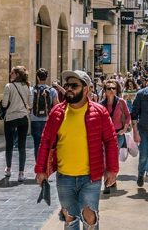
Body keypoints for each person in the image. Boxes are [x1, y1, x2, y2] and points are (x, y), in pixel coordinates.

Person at [35, 70, 119, 230]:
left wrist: (112, 169)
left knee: (89, 216)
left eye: (74, 85)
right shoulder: (57, 112)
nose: (69, 89)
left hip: (90, 177)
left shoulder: (99, 112)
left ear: (86, 89)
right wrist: (40, 169)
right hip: (64, 177)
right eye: (67, 85)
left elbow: (110, 140)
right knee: (69, 216)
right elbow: (45, 142)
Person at [99, 79, 132, 194]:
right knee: (104, 159)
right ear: (105, 91)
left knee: (112, 158)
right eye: (109, 88)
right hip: (105, 136)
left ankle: (111, 179)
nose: (112, 90)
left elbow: (128, 116)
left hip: (118, 135)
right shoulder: (101, 105)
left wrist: (124, 129)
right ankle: (107, 182)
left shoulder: (121, 102)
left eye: (114, 88)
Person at [2, 66, 33, 182]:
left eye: (12, 73)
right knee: (22, 146)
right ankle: (21, 173)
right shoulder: (27, 87)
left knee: (9, 145)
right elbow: (30, 103)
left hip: (10, 117)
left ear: (17, 75)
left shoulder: (9, 86)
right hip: (23, 118)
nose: (10, 74)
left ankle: (8, 169)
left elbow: (4, 104)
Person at [31, 68, 60, 161]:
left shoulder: (32, 90)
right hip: (47, 120)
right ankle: (45, 164)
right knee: (46, 143)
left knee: (36, 144)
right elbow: (56, 106)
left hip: (34, 119)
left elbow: (30, 104)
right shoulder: (52, 91)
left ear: (37, 77)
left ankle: (38, 164)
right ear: (46, 78)